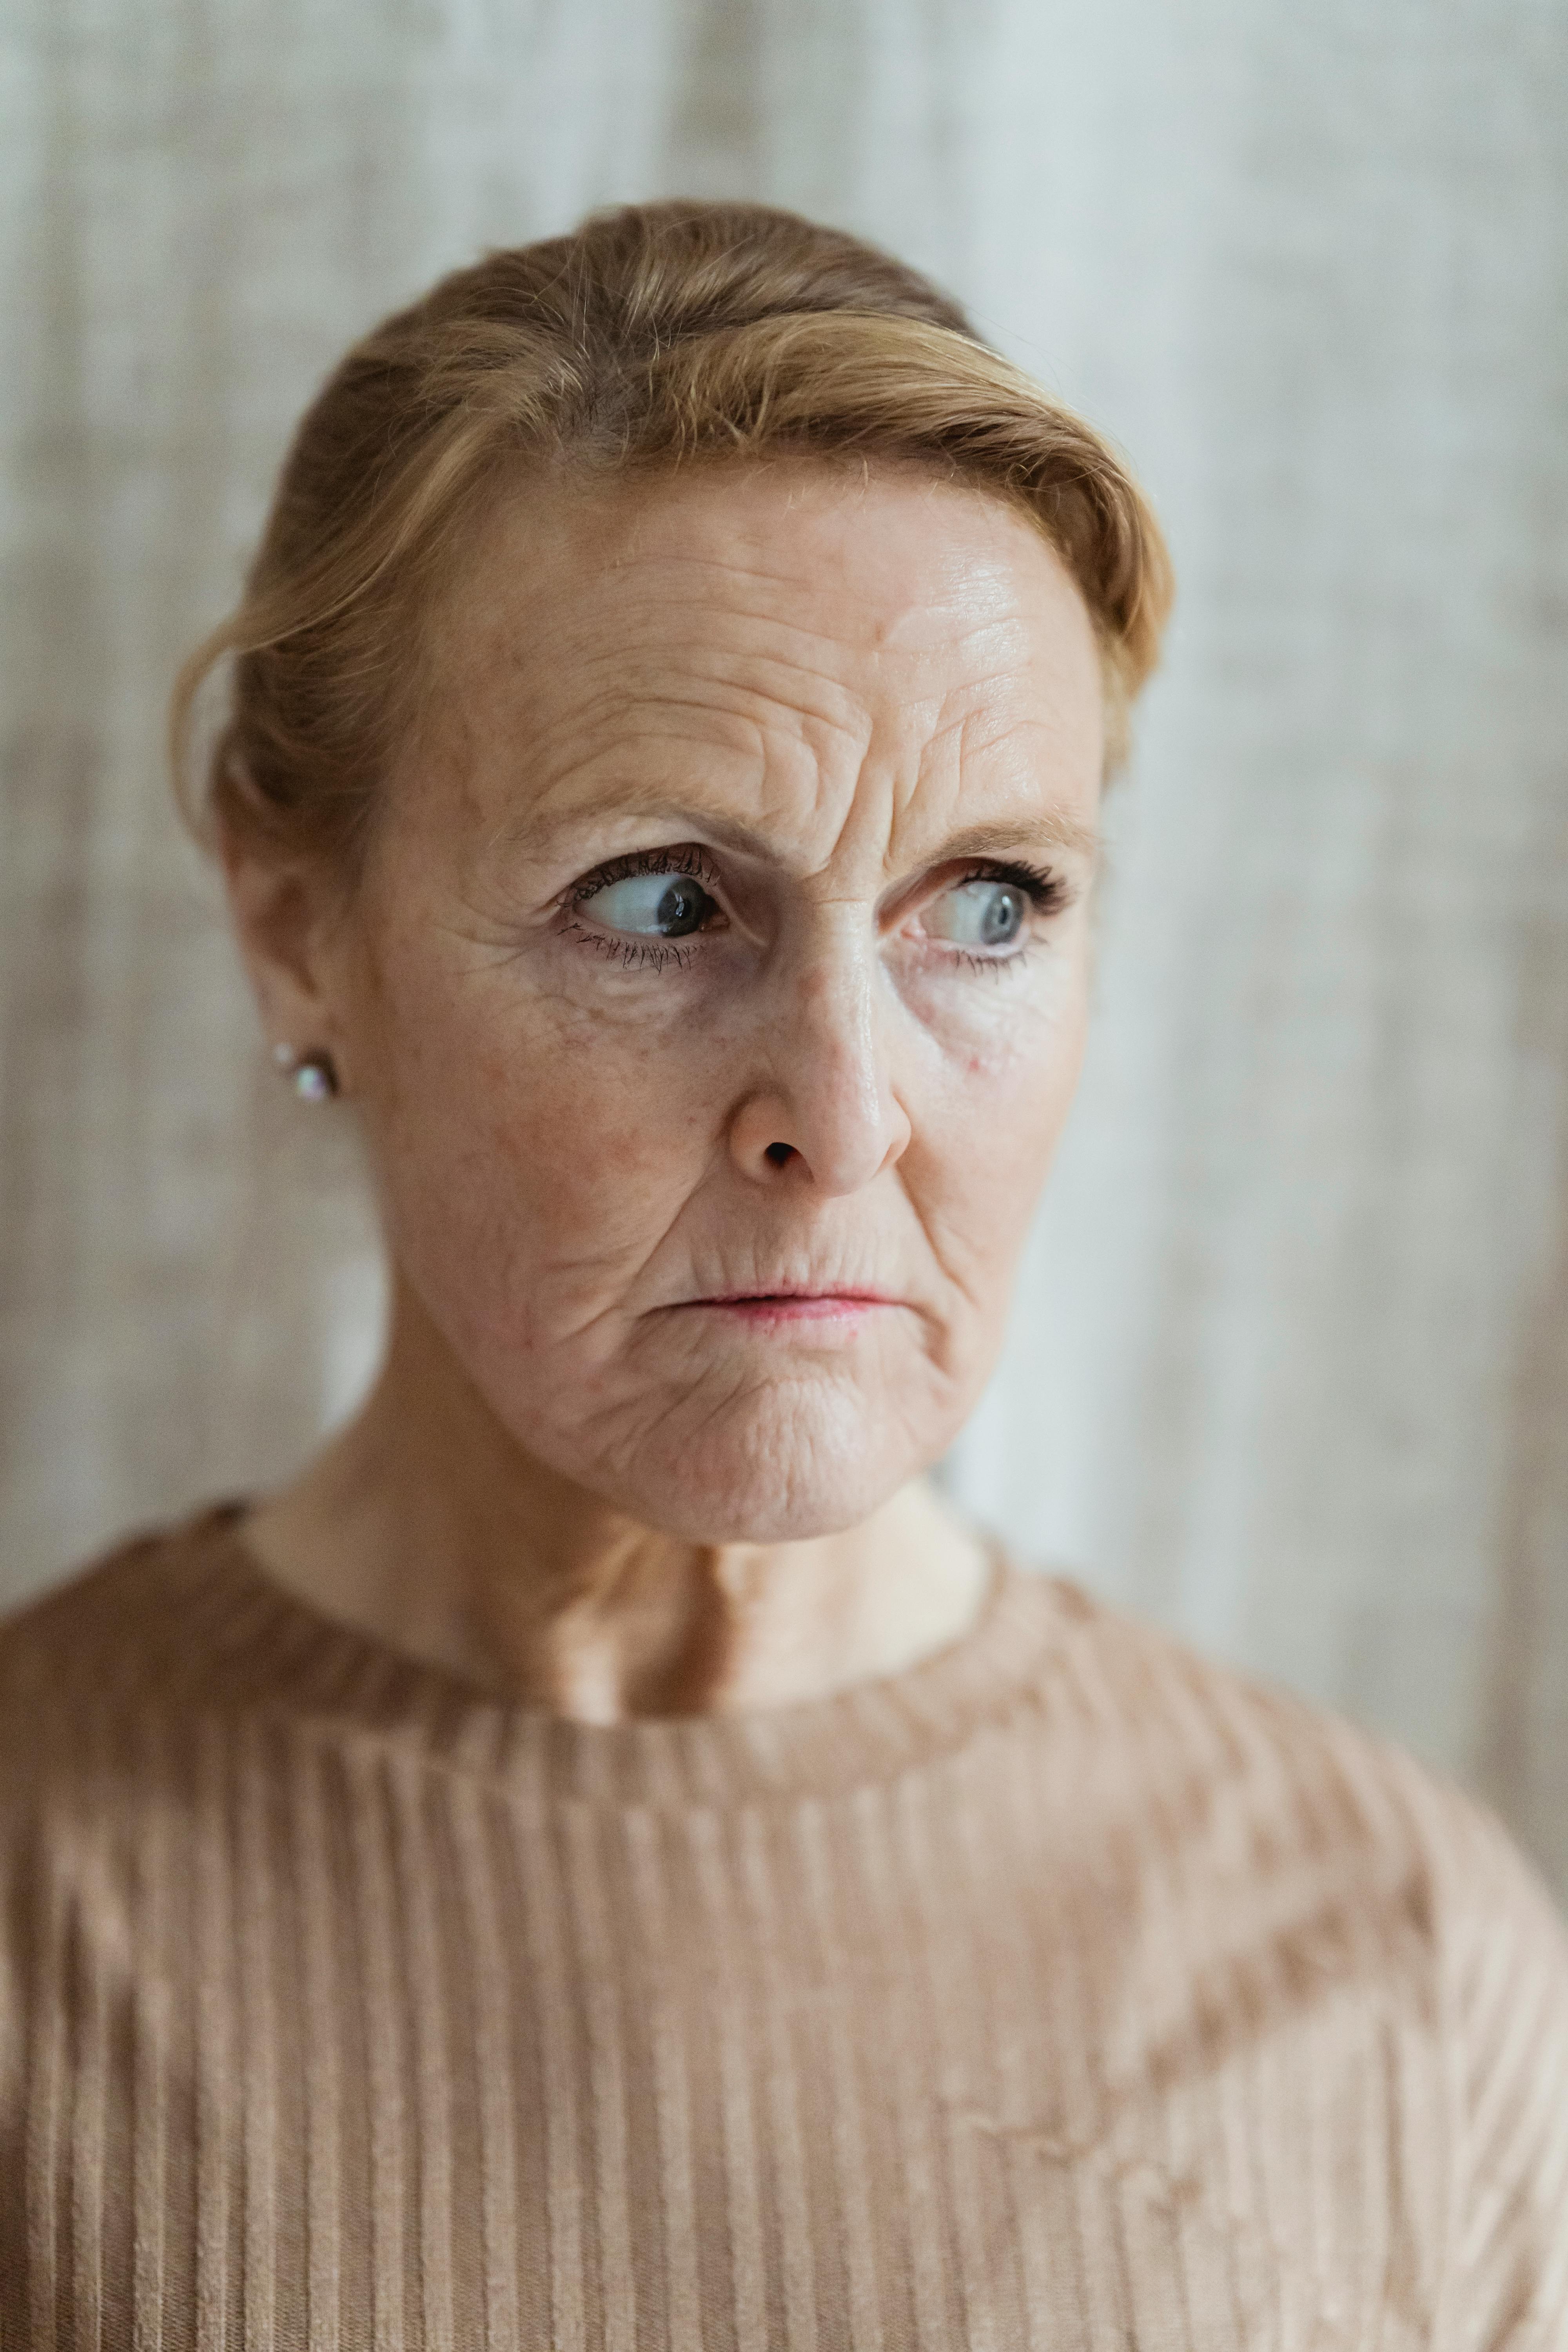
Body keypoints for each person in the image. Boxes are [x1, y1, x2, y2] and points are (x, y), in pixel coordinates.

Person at [2, 200, 1564, 2350]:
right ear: (296, 920)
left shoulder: (1398, 1958)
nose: (849, 1108)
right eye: (659, 900)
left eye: (990, 905)